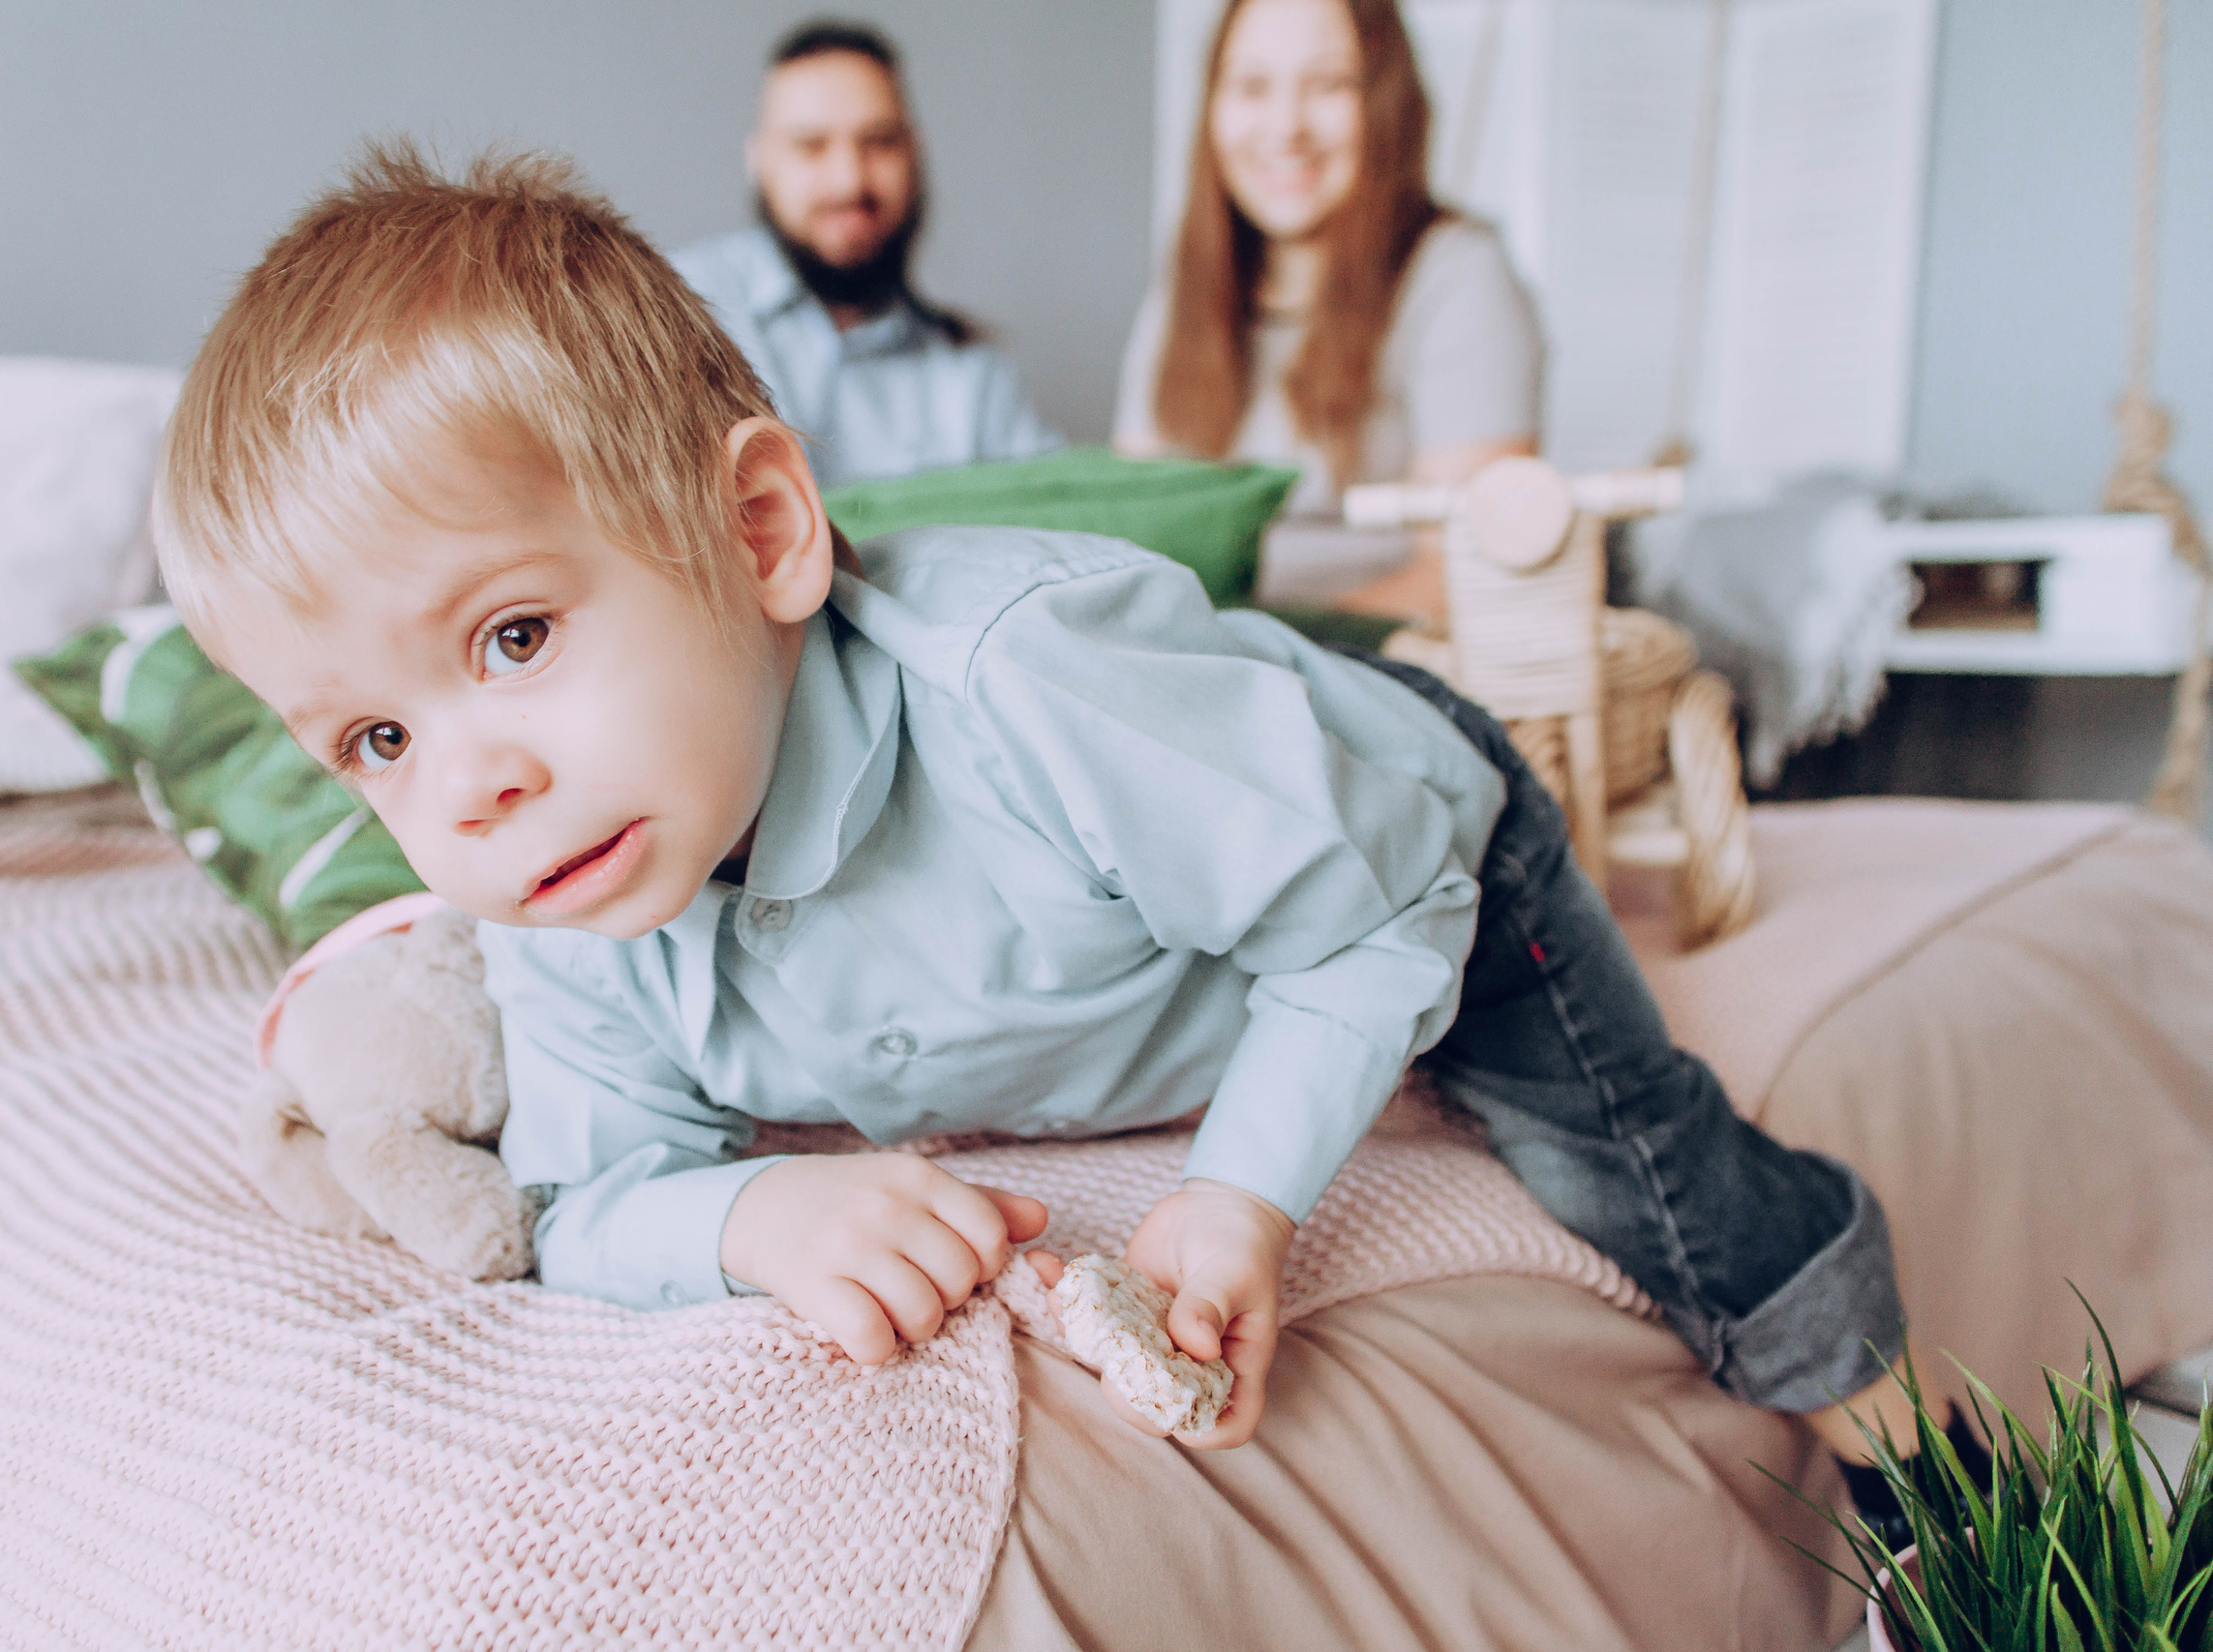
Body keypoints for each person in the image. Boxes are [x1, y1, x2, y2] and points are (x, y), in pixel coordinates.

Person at [154, 141, 1923, 1473]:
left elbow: (1377, 911)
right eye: (374, 737)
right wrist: (749, 1219)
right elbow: (586, 1198)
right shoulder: (566, 885)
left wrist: (1243, 1191)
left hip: (1379, 823)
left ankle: (1892, 1427)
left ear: (762, 533)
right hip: (1171, 883)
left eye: (517, 635)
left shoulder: (1028, 690)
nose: (468, 785)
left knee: (1634, 1163)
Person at [1114, 0, 1541, 620]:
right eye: (1252, 86)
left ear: (1387, 103)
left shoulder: (1459, 276)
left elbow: (1468, 571)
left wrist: (1244, 650)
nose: (1286, 126)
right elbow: (1131, 535)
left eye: (1328, 85)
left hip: (1366, 661)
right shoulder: (1184, 288)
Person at [671, 19, 1062, 487]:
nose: (849, 181)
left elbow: (1063, 509)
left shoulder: (973, 376)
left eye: (879, 142)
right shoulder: (675, 308)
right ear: (759, 161)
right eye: (811, 146)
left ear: (914, 155)